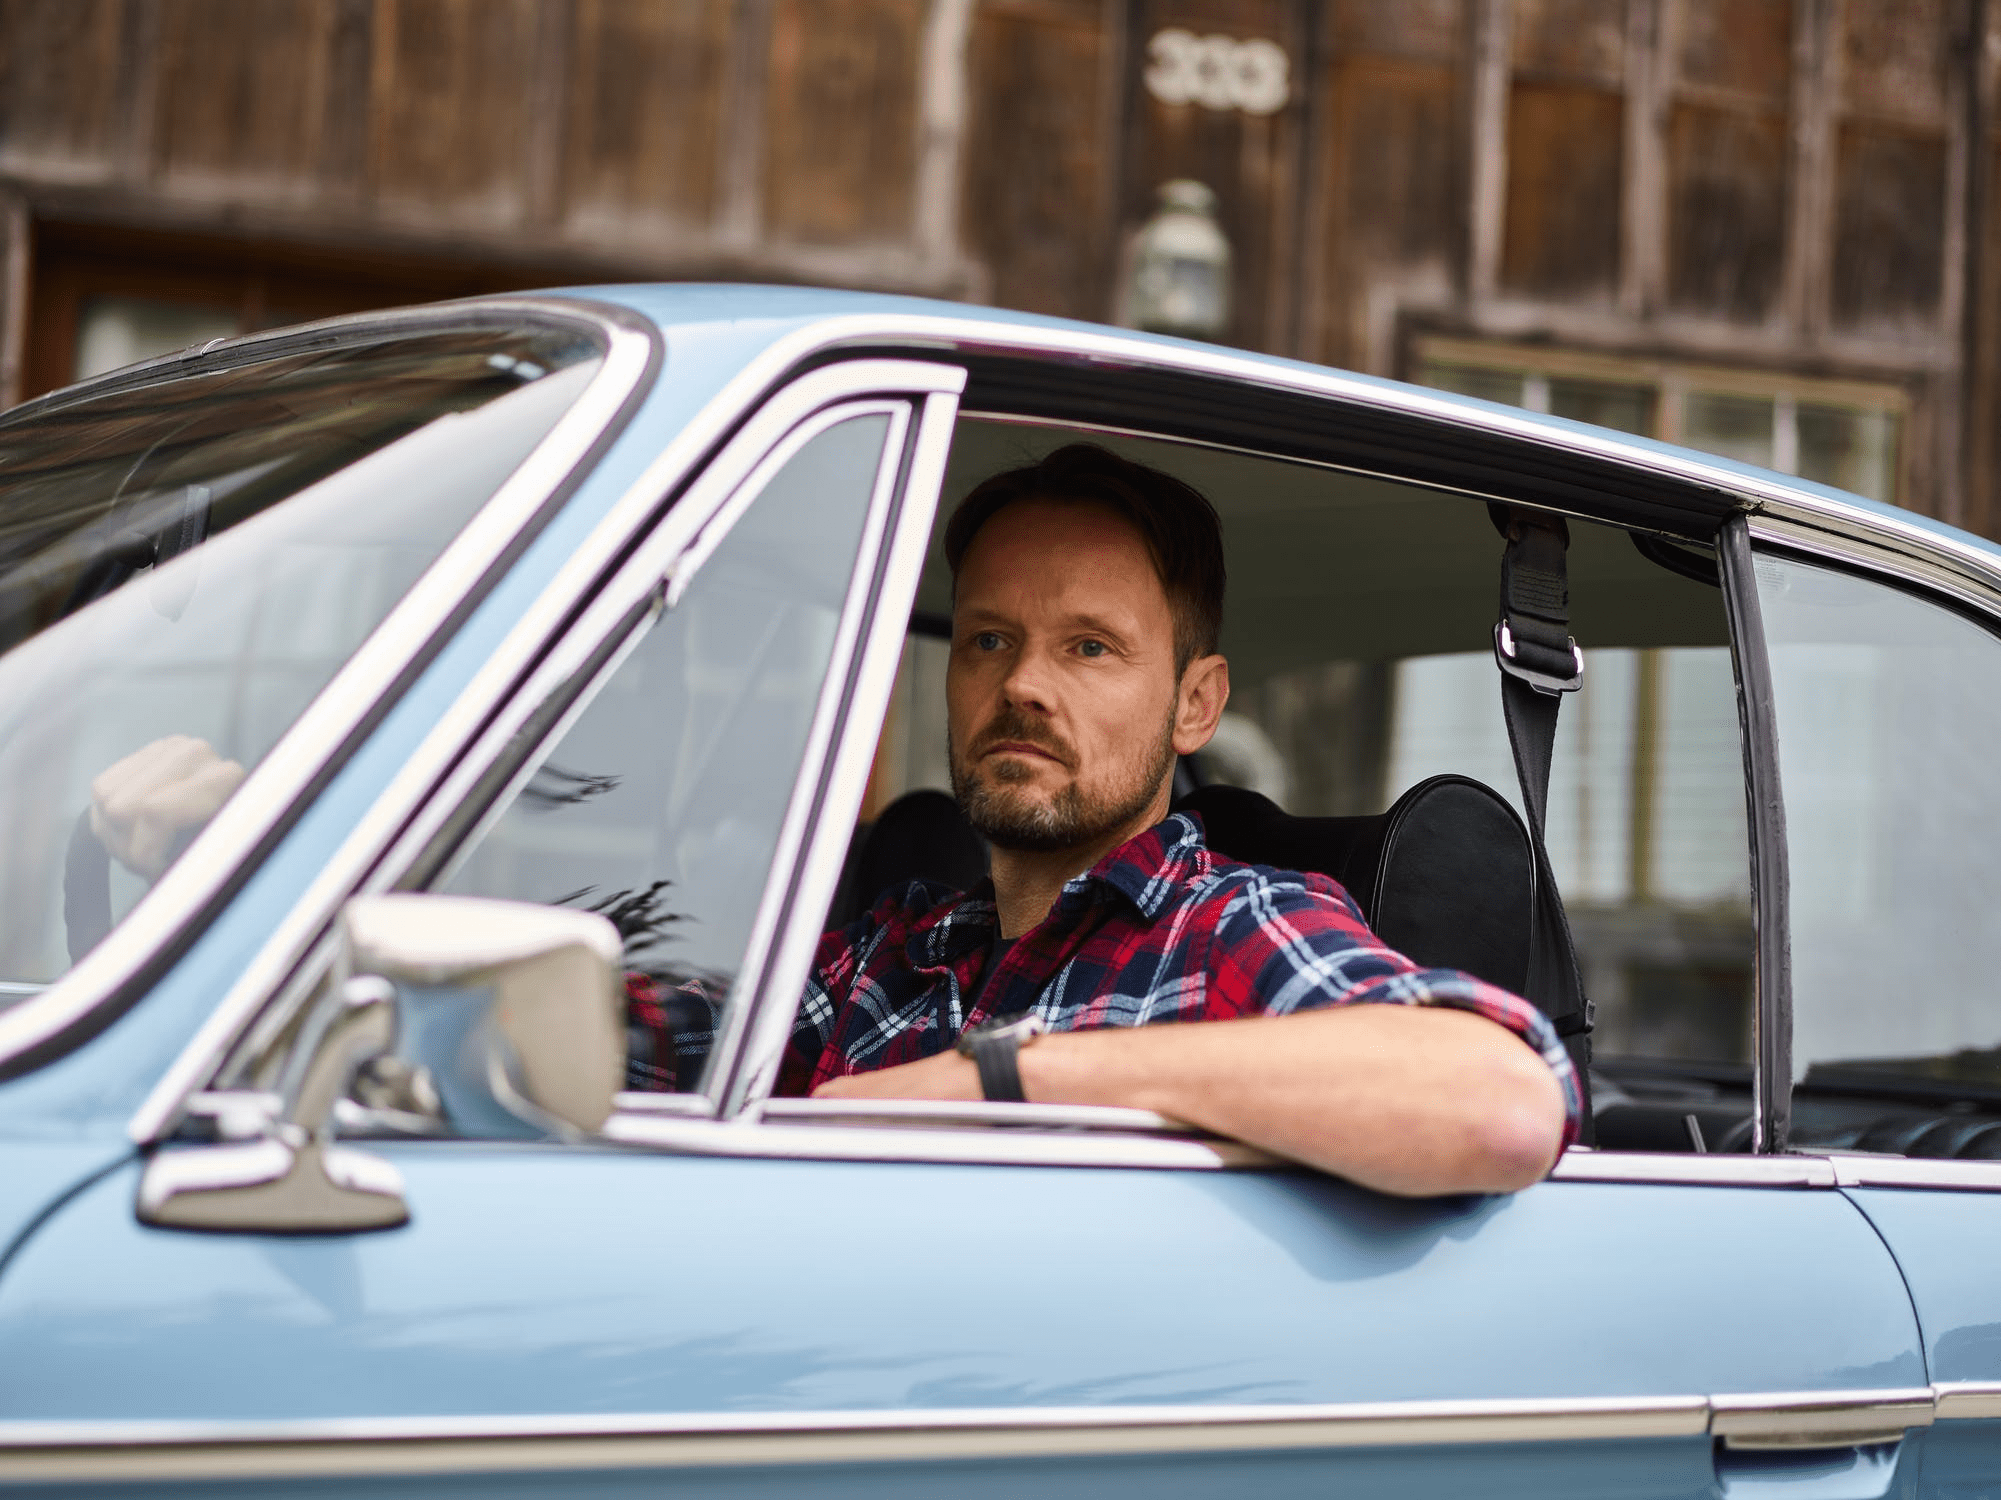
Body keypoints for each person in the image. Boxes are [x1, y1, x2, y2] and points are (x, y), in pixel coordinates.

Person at [92, 444, 1578, 1197]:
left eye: (1089, 648)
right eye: (989, 641)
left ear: (1198, 705)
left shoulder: (1227, 926)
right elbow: (605, 1033)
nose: (1022, 687)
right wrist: (299, 880)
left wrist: (1004, 1083)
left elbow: (1498, 1096)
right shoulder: (898, 947)